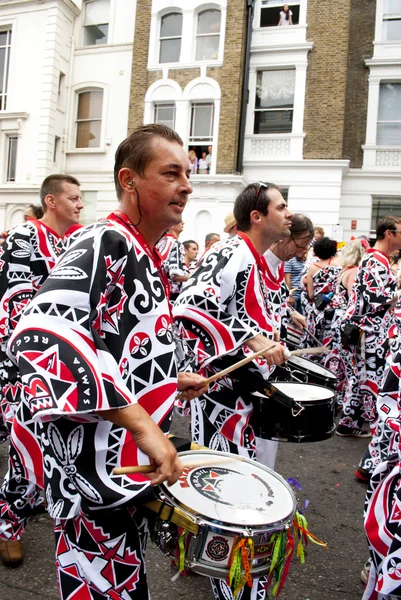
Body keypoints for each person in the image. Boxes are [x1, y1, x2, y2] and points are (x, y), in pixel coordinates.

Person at [7, 124, 207, 598]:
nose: (187, 185)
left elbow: (111, 343)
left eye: (188, 173)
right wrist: (141, 424)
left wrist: (168, 379)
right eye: (171, 172)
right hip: (93, 475)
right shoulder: (104, 240)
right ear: (129, 180)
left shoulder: (142, 249)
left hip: (124, 471)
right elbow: (40, 335)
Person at [173, 182, 291, 600]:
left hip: (243, 393)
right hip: (223, 392)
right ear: (257, 216)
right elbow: (188, 306)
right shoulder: (230, 251)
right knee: (227, 492)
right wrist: (250, 340)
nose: (288, 213)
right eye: (281, 206)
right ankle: (231, 583)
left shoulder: (257, 259)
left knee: (235, 487)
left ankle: (214, 565)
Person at [0, 174, 84, 565]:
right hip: (23, 367)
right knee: (27, 450)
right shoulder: (23, 238)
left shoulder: (75, 242)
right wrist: (30, 367)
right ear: (51, 201)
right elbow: (12, 305)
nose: (80, 204)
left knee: (58, 451)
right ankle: (7, 526)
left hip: (63, 367)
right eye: (73, 198)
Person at [336, 217, 401, 482]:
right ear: (389, 233)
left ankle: (355, 429)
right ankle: (375, 453)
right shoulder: (376, 260)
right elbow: (378, 300)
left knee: (365, 384)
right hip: (370, 335)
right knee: (374, 388)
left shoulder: (377, 260)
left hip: (370, 334)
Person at [324, 239, 366, 410]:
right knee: (352, 368)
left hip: (338, 321)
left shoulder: (344, 270)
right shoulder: (355, 271)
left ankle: (336, 399)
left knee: (341, 362)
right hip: (348, 324)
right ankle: (349, 412)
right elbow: (355, 302)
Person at [301, 237, 341, 351]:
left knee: (315, 340)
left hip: (318, 309)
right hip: (335, 308)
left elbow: (311, 294)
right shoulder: (340, 266)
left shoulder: (312, 269)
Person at [157, 222, 188, 302]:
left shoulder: (159, 242)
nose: (183, 223)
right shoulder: (176, 244)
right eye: (179, 221)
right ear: (171, 226)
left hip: (159, 292)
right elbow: (175, 275)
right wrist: (196, 277)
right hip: (172, 296)